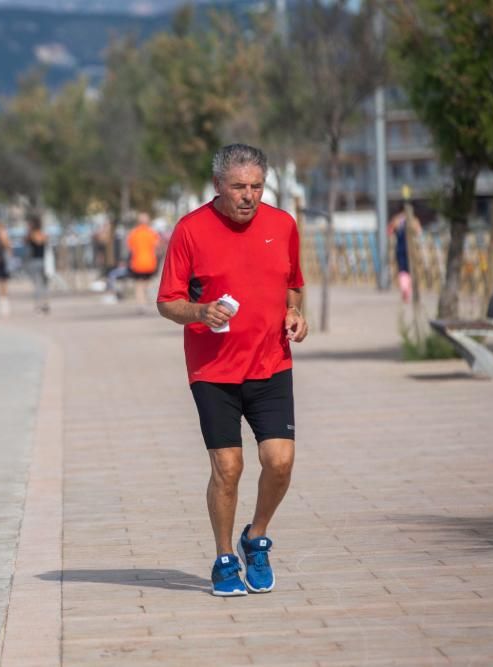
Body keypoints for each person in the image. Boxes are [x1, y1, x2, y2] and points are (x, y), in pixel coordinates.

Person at [156, 143, 308, 598]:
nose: (249, 196)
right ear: (218, 185)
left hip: (271, 363)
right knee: (229, 466)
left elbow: (293, 286)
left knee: (279, 462)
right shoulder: (190, 230)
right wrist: (200, 313)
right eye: (239, 187)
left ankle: (255, 537)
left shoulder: (282, 226)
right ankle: (224, 558)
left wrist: (294, 314)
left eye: (257, 187)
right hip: (213, 370)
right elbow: (167, 302)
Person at [126, 211, 162, 314]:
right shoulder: (152, 233)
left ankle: (140, 304)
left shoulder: (134, 233)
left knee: (138, 285)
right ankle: (145, 301)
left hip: (137, 263)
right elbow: (157, 248)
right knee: (146, 283)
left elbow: (130, 249)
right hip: (150, 263)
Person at [25, 213, 50, 314]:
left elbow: (29, 242)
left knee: (37, 284)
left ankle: (38, 304)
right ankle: (45, 304)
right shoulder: (44, 234)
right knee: (44, 284)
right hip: (43, 261)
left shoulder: (31, 235)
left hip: (35, 261)